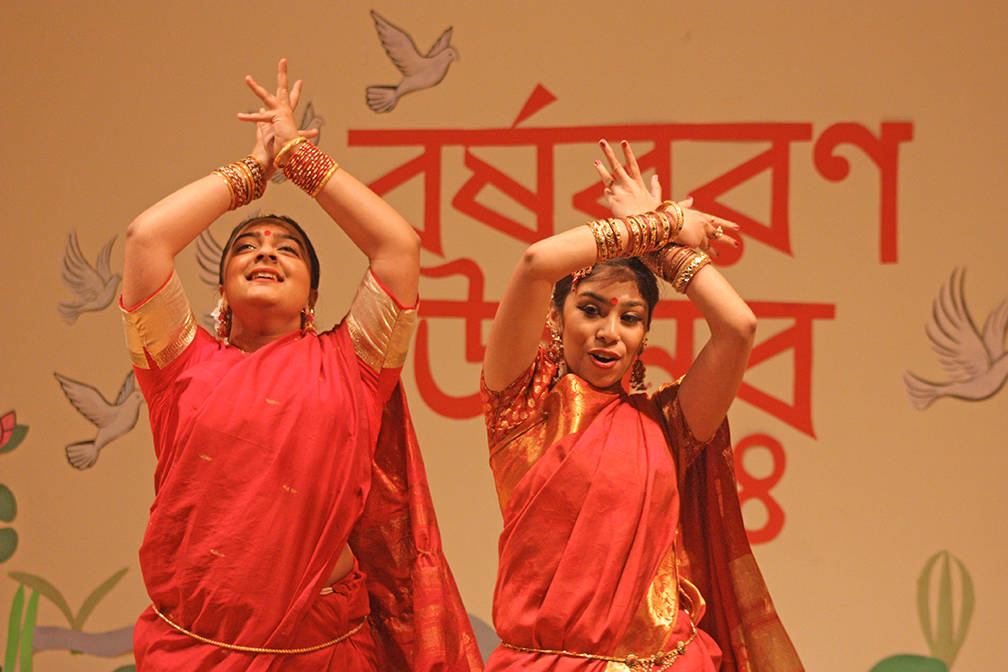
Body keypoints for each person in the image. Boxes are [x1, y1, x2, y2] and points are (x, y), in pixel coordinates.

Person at [120, 59, 482, 671]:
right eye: (246, 248)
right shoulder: (177, 364)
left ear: (313, 294)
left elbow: (397, 246)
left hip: (323, 649)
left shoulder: (355, 363)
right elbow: (145, 239)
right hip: (191, 649)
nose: (265, 253)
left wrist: (297, 157)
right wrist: (251, 173)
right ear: (221, 290)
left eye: (287, 250)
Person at [480, 140, 803, 671]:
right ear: (555, 319)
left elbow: (738, 327)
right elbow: (537, 262)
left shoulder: (666, 423)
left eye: (630, 318)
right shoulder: (521, 405)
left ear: (644, 334)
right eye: (591, 310)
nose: (610, 332)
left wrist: (664, 247)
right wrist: (665, 221)